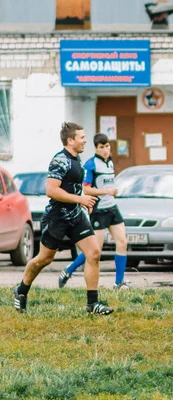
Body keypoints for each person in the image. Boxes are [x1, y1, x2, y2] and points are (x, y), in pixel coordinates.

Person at [13, 122, 113, 315]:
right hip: (57, 218)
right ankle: (21, 290)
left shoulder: (77, 159)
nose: (85, 140)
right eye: (81, 137)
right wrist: (80, 198)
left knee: (93, 253)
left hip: (75, 215)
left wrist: (84, 202)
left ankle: (92, 304)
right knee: (44, 259)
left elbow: (73, 187)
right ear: (70, 140)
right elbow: (51, 191)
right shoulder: (60, 160)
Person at [58, 133, 130, 290]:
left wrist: (110, 192)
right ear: (96, 148)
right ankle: (68, 270)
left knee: (122, 242)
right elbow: (86, 189)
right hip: (99, 211)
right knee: (95, 249)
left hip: (112, 208)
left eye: (107, 146)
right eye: (102, 147)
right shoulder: (91, 165)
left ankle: (119, 283)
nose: (105, 150)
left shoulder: (110, 162)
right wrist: (106, 191)